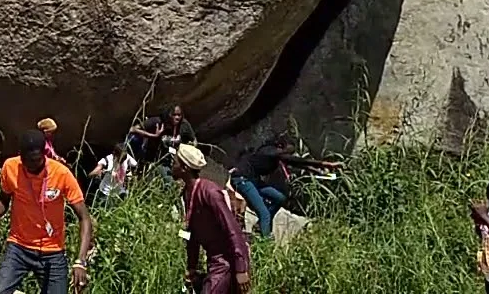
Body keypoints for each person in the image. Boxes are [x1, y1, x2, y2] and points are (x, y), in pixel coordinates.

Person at [0, 130, 94, 294]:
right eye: (27, 161)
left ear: (44, 154)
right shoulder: (10, 167)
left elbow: (84, 218)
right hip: (18, 247)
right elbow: (3, 203)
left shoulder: (61, 174)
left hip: (53, 252)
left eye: (36, 160)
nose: (32, 165)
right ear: (20, 156)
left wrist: (81, 261)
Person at [171, 143, 252, 294]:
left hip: (226, 261)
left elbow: (232, 229)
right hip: (214, 261)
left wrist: (241, 268)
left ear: (185, 168)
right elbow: (192, 235)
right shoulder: (187, 194)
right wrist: (192, 266)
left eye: (175, 161)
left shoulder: (210, 193)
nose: (172, 164)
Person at [228, 133, 340, 240]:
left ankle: (262, 225)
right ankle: (264, 240)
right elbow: (295, 160)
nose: (289, 155)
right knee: (264, 213)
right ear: (281, 147)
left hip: (254, 180)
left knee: (280, 198)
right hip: (242, 179)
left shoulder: (275, 155)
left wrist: (318, 171)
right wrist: (324, 164)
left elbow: (295, 163)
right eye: (288, 152)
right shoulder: (270, 152)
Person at [127, 105, 196, 180]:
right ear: (168, 114)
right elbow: (133, 129)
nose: (177, 117)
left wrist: (191, 146)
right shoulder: (157, 122)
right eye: (174, 115)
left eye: (179, 115)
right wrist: (154, 135)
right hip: (153, 158)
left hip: (172, 160)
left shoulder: (184, 125)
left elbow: (194, 140)